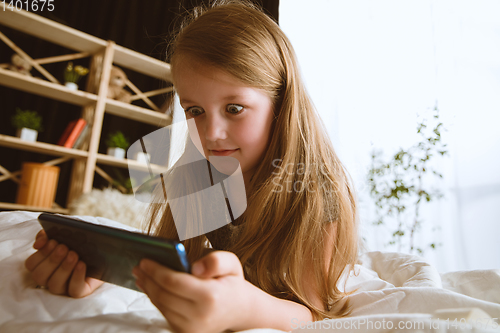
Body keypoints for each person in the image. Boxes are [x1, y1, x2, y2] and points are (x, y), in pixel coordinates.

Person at [24, 1, 359, 332]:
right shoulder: (202, 176)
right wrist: (102, 273)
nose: (211, 134)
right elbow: (177, 265)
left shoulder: (317, 189)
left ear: (281, 103)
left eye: (234, 108)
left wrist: (247, 308)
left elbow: (313, 314)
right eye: (195, 110)